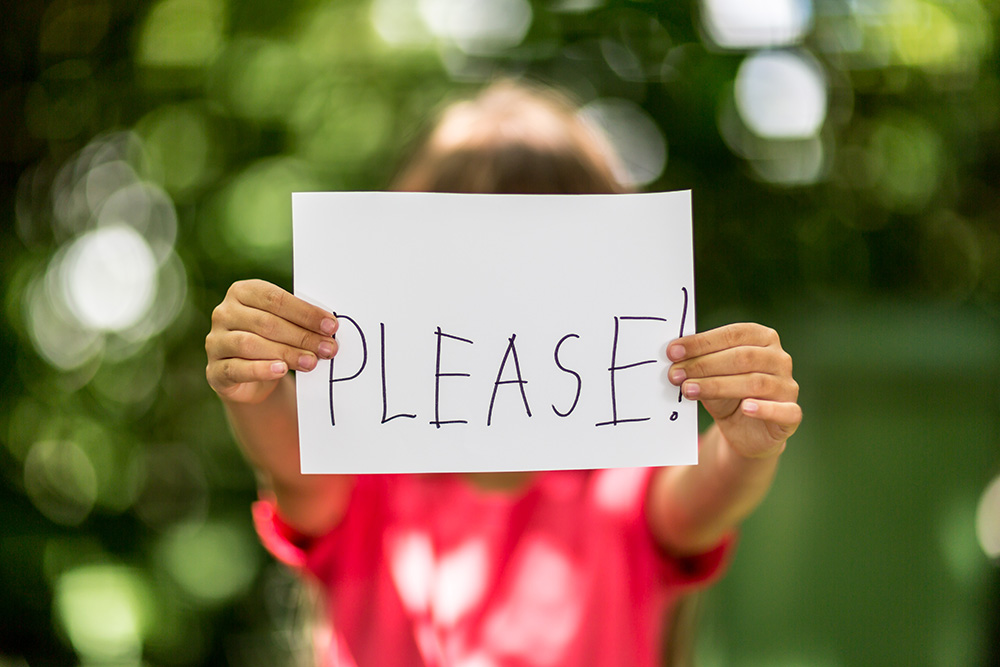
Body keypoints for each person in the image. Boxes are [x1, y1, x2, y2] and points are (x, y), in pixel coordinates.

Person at [205, 80, 801, 666]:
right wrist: (251, 387)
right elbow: (290, 458)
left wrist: (747, 443)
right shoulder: (368, 480)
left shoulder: (625, 486)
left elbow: (705, 499)